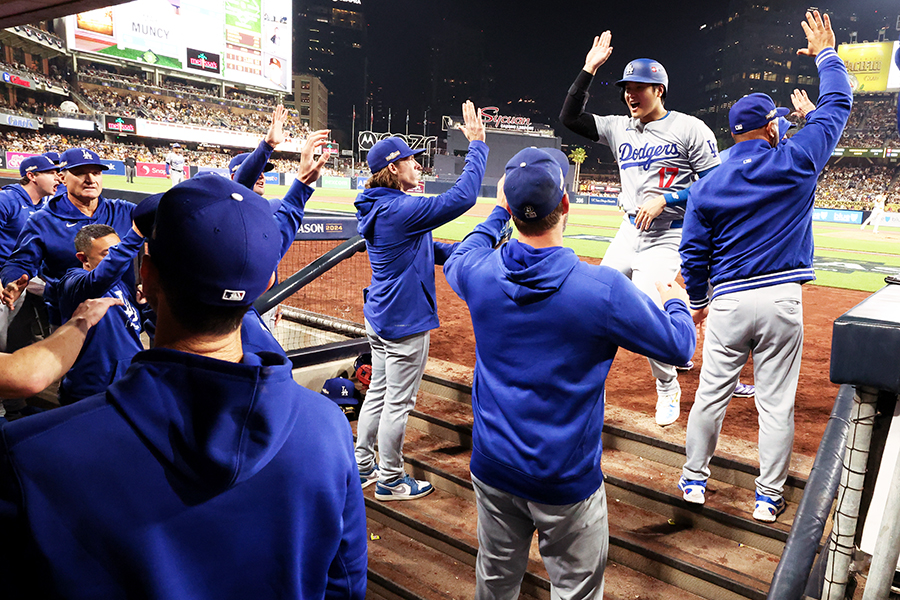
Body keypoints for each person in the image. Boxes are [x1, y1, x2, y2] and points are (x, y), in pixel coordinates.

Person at [0, 175, 368, 599]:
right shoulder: (327, 429)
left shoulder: (31, 455)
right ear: (267, 283)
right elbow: (344, 585)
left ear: (149, 278)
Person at [443, 147, 695, 599]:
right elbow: (679, 346)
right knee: (575, 591)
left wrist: (499, 213)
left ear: (511, 210)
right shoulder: (601, 288)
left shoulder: (477, 272)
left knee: (495, 583)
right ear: (564, 205)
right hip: (564, 480)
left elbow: (469, 249)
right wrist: (675, 298)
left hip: (492, 465)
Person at [678, 11, 852, 523]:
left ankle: (693, 480)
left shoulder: (707, 183)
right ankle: (767, 497)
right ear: (772, 127)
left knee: (711, 396)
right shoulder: (795, 160)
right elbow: (837, 104)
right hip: (781, 301)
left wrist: (698, 303)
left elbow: (694, 254)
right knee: (775, 405)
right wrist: (826, 54)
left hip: (729, 301)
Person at [560, 33, 720, 427]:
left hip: (669, 235)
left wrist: (669, 198)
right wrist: (589, 68)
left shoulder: (690, 129)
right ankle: (580, 382)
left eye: (638, 88)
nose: (630, 95)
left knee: (648, 310)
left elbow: (716, 183)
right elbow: (570, 117)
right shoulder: (619, 127)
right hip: (628, 232)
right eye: (626, 89)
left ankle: (668, 387)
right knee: (596, 297)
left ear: (659, 90)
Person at [354, 100, 486, 501]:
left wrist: (469, 249)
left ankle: (363, 465)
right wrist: (478, 145)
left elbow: (427, 247)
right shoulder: (399, 208)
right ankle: (392, 480)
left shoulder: (383, 206)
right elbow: (461, 199)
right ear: (393, 168)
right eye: (411, 160)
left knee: (378, 392)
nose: (418, 165)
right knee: (397, 401)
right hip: (403, 319)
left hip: (379, 315)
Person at [0, 148, 135, 329]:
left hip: (124, 315)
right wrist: (13, 279)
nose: (90, 179)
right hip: (68, 320)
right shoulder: (43, 220)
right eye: (80, 173)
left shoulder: (123, 211)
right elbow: (19, 262)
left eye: (96, 172)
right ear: (62, 178)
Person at [57, 222, 145, 405]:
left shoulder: (120, 285)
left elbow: (133, 327)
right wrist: (136, 234)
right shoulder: (73, 284)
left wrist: (148, 304)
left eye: (120, 251)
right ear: (83, 258)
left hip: (129, 383)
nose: (121, 258)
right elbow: (99, 280)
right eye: (109, 253)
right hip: (91, 390)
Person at [0, 156, 57, 352]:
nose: (57, 178)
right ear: (32, 176)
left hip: (27, 278)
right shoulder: (7, 199)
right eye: (50, 173)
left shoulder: (44, 206)